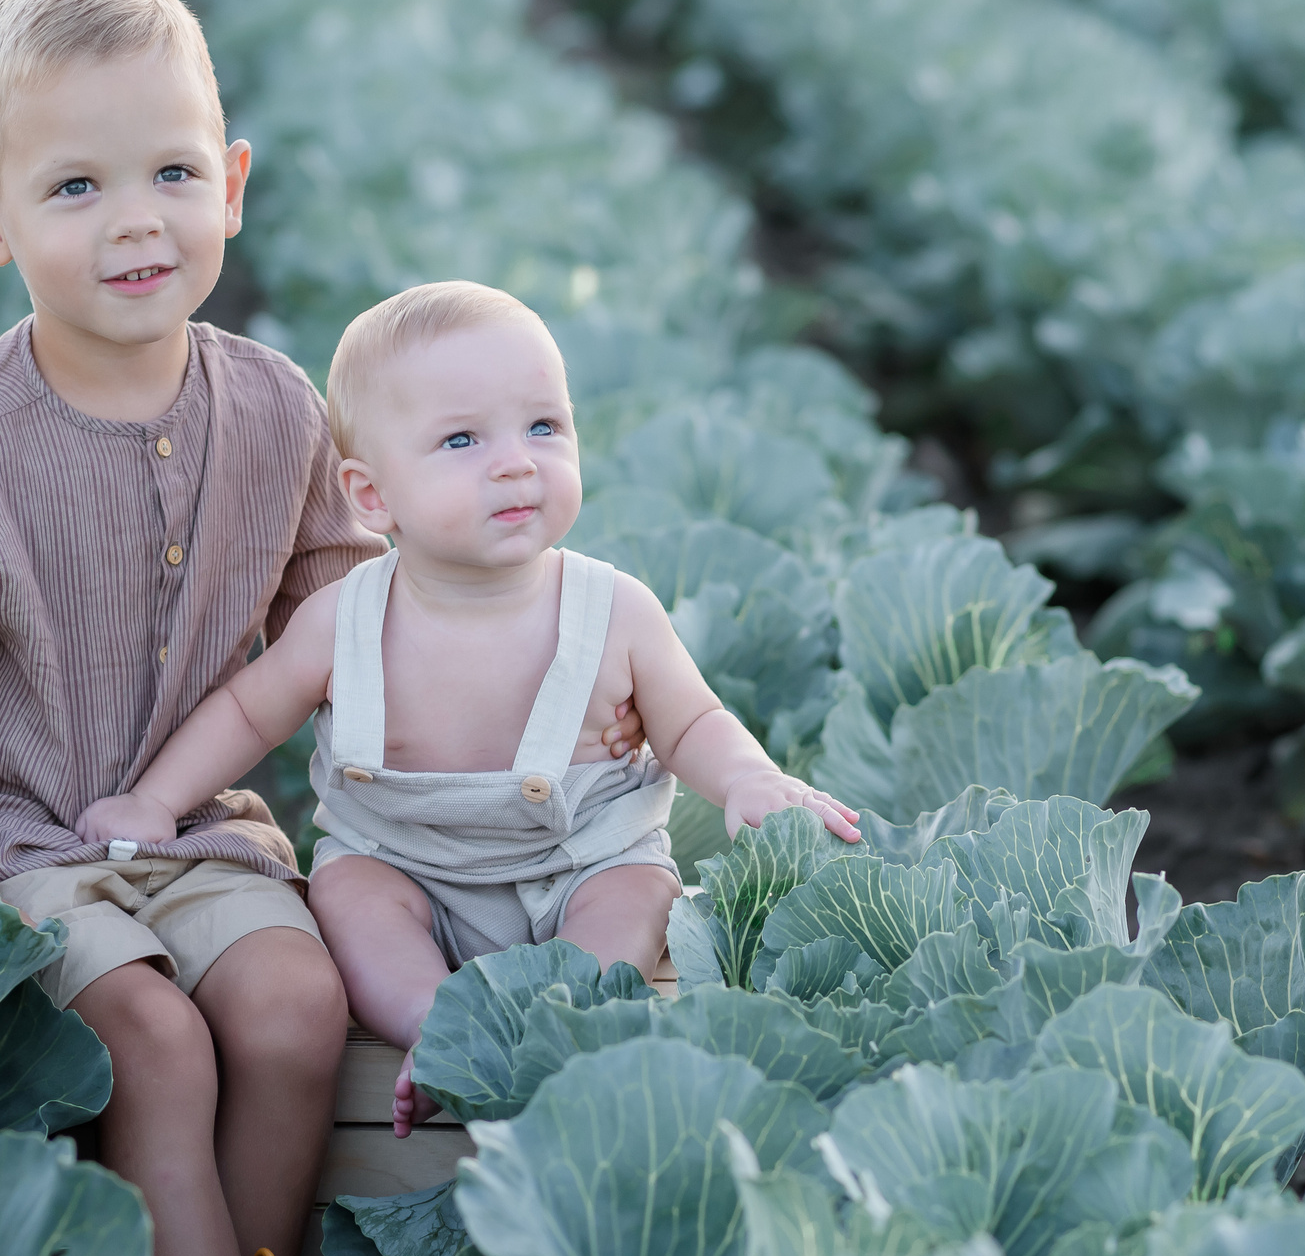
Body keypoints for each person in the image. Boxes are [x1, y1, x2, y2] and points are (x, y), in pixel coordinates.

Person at [0, 0, 647, 1256]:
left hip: (202, 834)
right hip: (14, 845)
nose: (139, 220)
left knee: (286, 1007)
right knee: (146, 1036)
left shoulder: (271, 406)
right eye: (76, 186)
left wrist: (541, 718)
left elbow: (360, 634)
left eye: (173, 173)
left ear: (235, 185)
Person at [78, 281, 864, 1139]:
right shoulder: (344, 619)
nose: (517, 461)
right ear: (371, 496)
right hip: (409, 866)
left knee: (637, 892)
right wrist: (155, 800)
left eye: (544, 426)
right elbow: (245, 713)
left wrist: (748, 776)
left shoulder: (615, 610)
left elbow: (691, 721)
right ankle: (435, 1023)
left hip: (580, 863)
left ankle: (567, 1017)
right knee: (350, 894)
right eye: (461, 439)